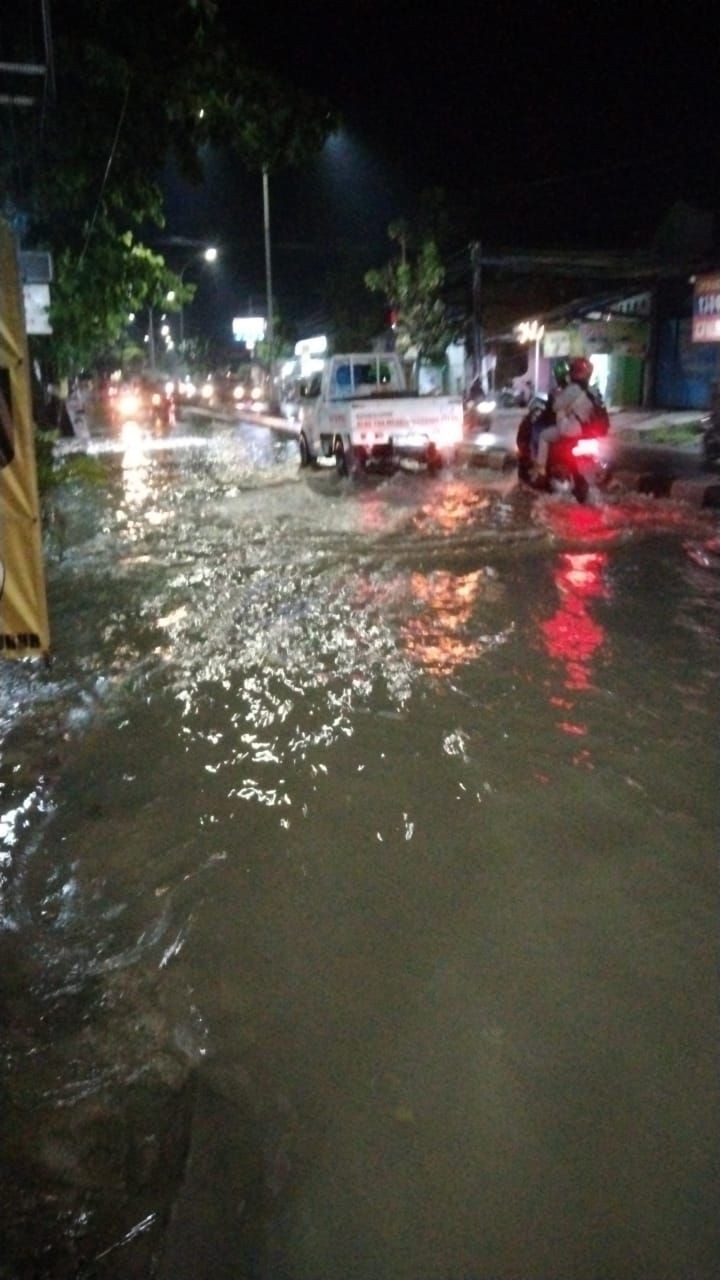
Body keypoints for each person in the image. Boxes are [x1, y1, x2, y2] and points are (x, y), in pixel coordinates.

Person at [534, 355, 597, 482]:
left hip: (569, 428)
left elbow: (556, 407)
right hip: (585, 429)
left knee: (543, 436)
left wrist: (558, 400)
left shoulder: (573, 389)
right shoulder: (591, 390)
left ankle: (540, 470)